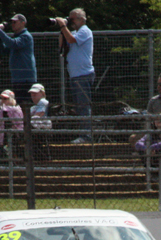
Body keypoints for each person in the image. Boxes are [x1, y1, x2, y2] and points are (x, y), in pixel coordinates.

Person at [56, 9, 94, 144]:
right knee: (79, 106)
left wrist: (63, 25)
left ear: (81, 19)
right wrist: (62, 30)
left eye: (73, 19)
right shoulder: (73, 32)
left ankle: (86, 136)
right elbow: (62, 46)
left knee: (83, 105)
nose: (71, 22)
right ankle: (82, 134)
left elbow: (71, 40)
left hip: (83, 74)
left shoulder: (85, 30)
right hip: (74, 75)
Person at [0, 14, 37, 104]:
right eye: (12, 22)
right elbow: (5, 50)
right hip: (17, 78)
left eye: (15, 22)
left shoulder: (26, 36)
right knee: (19, 104)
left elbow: (13, 44)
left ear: (23, 23)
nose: (13, 24)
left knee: (26, 105)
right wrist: (0, 38)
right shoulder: (16, 38)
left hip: (26, 79)